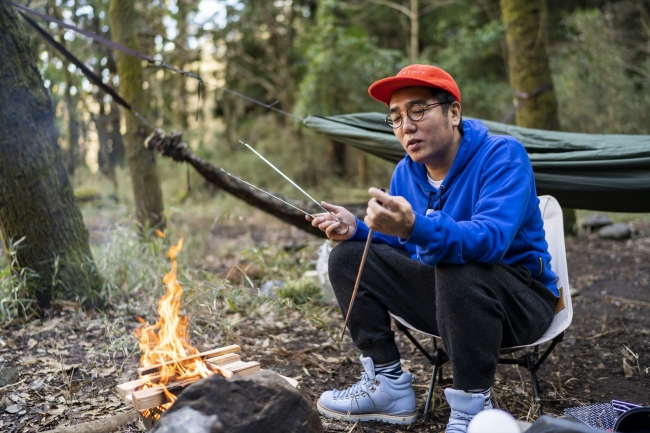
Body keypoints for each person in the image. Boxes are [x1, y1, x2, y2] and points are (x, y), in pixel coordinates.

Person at [306, 64, 559, 432]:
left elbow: (490, 240)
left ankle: (473, 409)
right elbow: (400, 242)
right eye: (395, 118)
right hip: (449, 300)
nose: (406, 126)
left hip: (520, 303)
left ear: (453, 112)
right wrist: (357, 229)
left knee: (459, 263)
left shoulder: (502, 155)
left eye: (418, 111)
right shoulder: (405, 173)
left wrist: (416, 226)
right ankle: (389, 385)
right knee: (346, 256)